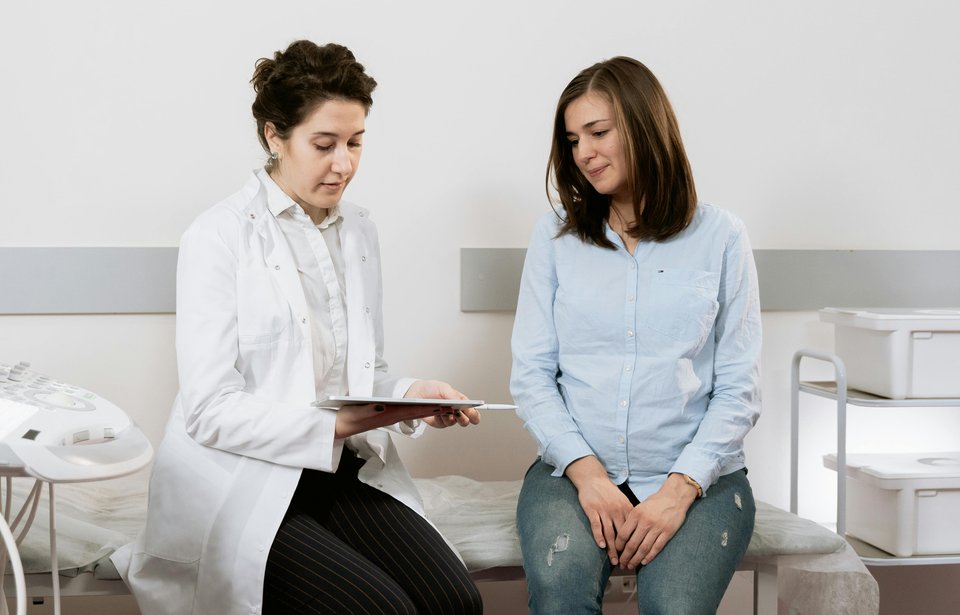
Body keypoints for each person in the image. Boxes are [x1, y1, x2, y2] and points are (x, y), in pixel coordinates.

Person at [112, 40, 484, 615]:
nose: (344, 164)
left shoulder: (359, 232)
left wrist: (411, 396)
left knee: (454, 602)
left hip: (339, 472)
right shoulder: (219, 236)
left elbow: (365, 371)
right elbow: (209, 409)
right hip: (244, 484)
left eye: (356, 143)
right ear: (273, 136)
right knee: (380, 610)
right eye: (324, 144)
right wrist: (333, 426)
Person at [510, 56, 761, 615]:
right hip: (574, 470)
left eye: (598, 133)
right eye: (574, 139)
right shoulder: (554, 238)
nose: (584, 153)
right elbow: (531, 376)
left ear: (646, 126)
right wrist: (588, 475)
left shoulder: (721, 236)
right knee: (561, 598)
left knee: (675, 608)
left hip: (699, 478)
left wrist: (679, 490)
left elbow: (740, 387)